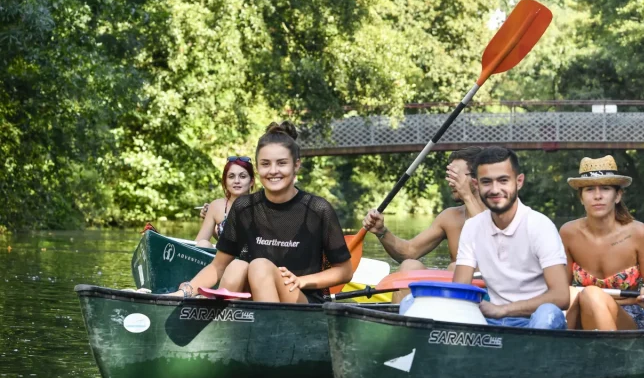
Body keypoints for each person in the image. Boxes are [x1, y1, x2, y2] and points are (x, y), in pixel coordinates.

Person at [164, 122, 353, 303]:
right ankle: (217, 325)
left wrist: (302, 281)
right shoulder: (243, 207)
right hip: (252, 300)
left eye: (281, 163)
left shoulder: (318, 209)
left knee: (259, 266)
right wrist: (183, 292)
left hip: (301, 302)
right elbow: (218, 266)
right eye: (265, 164)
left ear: (296, 165)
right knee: (237, 265)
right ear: (257, 167)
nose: (273, 171)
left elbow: (345, 271)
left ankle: (269, 330)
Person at [414, 146, 569, 329]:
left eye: (503, 180)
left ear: (519, 182)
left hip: (534, 320)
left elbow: (561, 296)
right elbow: (460, 292)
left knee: (548, 312)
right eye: (487, 182)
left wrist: (503, 309)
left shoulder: (539, 226)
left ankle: (530, 354)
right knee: (411, 303)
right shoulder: (472, 227)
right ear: (476, 185)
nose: (495, 190)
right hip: (491, 319)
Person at [558, 156, 644, 330]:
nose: (597, 196)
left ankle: (609, 354)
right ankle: (560, 351)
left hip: (628, 319)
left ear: (617, 195)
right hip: (581, 315)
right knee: (578, 294)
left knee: (592, 294)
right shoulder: (568, 233)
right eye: (589, 189)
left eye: (605, 188)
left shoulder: (638, 233)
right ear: (581, 197)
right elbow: (562, 293)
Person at [361, 147, 486, 271]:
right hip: (453, 287)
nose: (450, 182)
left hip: (487, 287)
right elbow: (409, 252)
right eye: (449, 176)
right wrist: (381, 231)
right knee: (410, 266)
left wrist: (468, 196)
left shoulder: (500, 215)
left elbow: (492, 250)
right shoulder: (449, 217)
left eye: (455, 176)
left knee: (455, 268)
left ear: (477, 178)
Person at [195, 156, 255, 248]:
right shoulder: (216, 206)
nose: (236, 181)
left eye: (242, 176)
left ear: (251, 181)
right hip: (223, 260)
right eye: (231, 177)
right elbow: (197, 244)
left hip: (252, 260)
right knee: (203, 244)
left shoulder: (261, 206)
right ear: (225, 181)